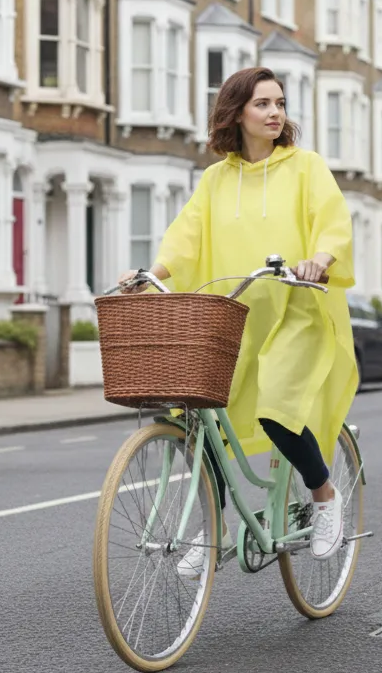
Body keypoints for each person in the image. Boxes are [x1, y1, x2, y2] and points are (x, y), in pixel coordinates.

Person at [117, 66, 358, 566]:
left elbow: (332, 221)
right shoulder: (216, 179)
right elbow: (187, 235)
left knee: (278, 406)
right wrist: (153, 272)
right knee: (202, 415)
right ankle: (212, 531)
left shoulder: (306, 167)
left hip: (296, 310)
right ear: (238, 112)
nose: (275, 113)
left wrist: (322, 259)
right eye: (263, 104)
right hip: (236, 314)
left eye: (280, 104)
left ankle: (324, 496)